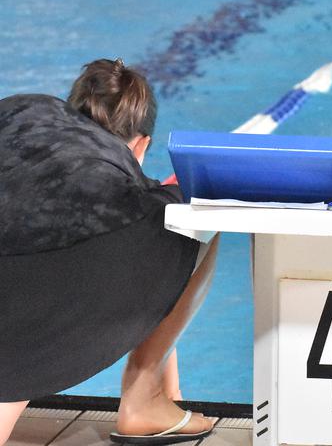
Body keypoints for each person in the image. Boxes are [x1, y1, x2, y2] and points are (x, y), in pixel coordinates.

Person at [0, 59, 218, 445]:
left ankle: (150, 399)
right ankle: (142, 401)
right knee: (194, 217)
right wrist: (163, 388)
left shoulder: (25, 109)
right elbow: (168, 253)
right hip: (36, 306)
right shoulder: (118, 182)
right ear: (141, 144)